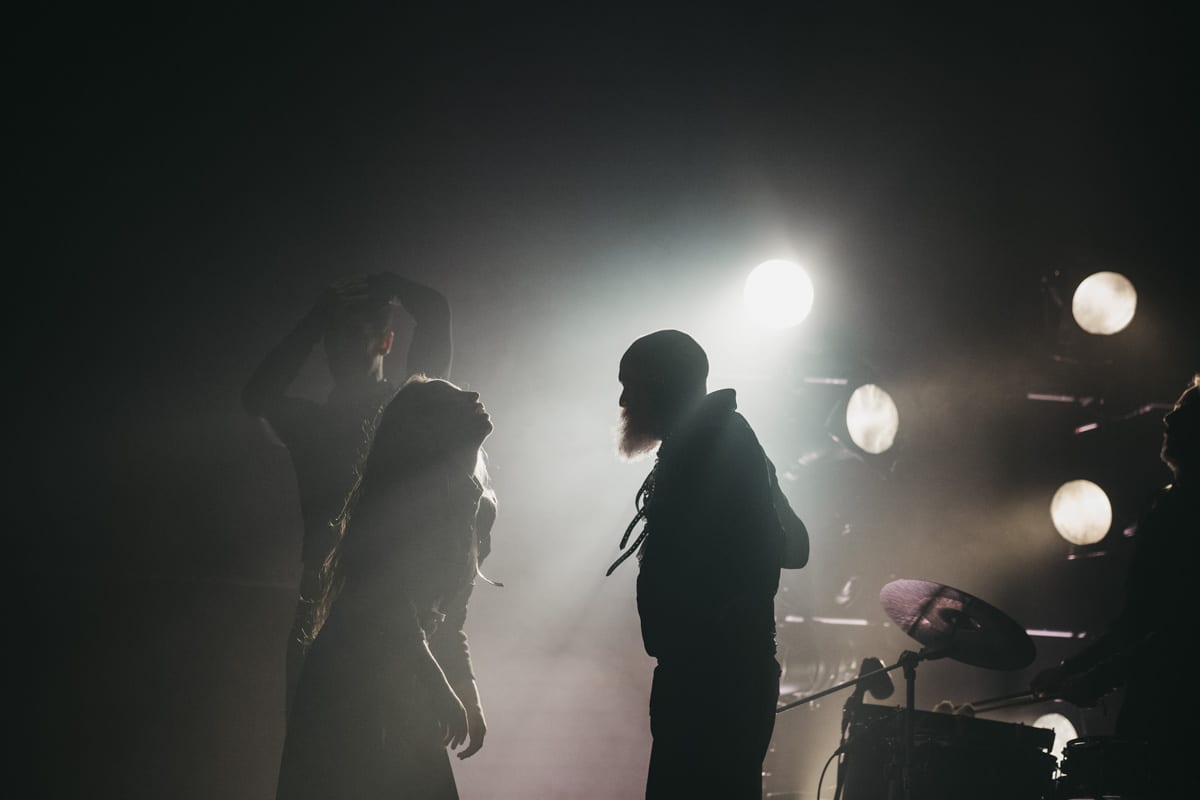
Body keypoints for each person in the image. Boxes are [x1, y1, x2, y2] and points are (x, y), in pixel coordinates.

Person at [608, 329, 809, 799]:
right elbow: (793, 548)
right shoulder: (716, 441)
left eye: (630, 385)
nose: (623, 400)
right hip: (716, 677)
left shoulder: (713, 445)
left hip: (712, 684)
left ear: (662, 384)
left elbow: (775, 551)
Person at [275, 375, 497, 800]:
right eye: (451, 399)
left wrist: (469, 696)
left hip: (407, 671)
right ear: (429, 428)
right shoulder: (405, 496)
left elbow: (451, 619)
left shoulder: (480, 507)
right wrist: (437, 685)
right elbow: (386, 599)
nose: (473, 394)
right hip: (351, 678)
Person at [243, 273, 452, 715]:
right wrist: (316, 320)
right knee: (314, 729)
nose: (339, 348)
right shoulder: (313, 425)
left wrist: (390, 283)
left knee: (379, 726)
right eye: (333, 337)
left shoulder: (407, 410)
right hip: (324, 591)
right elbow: (256, 396)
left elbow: (435, 310)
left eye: (354, 334)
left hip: (389, 592)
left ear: (387, 342)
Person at [1031, 373, 1199, 794]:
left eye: (1184, 412)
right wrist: (1072, 670)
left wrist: (1097, 677)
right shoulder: (1167, 507)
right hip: (1155, 716)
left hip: (1180, 724)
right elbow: (1136, 623)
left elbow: (1181, 633)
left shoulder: (1183, 513)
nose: (1168, 419)